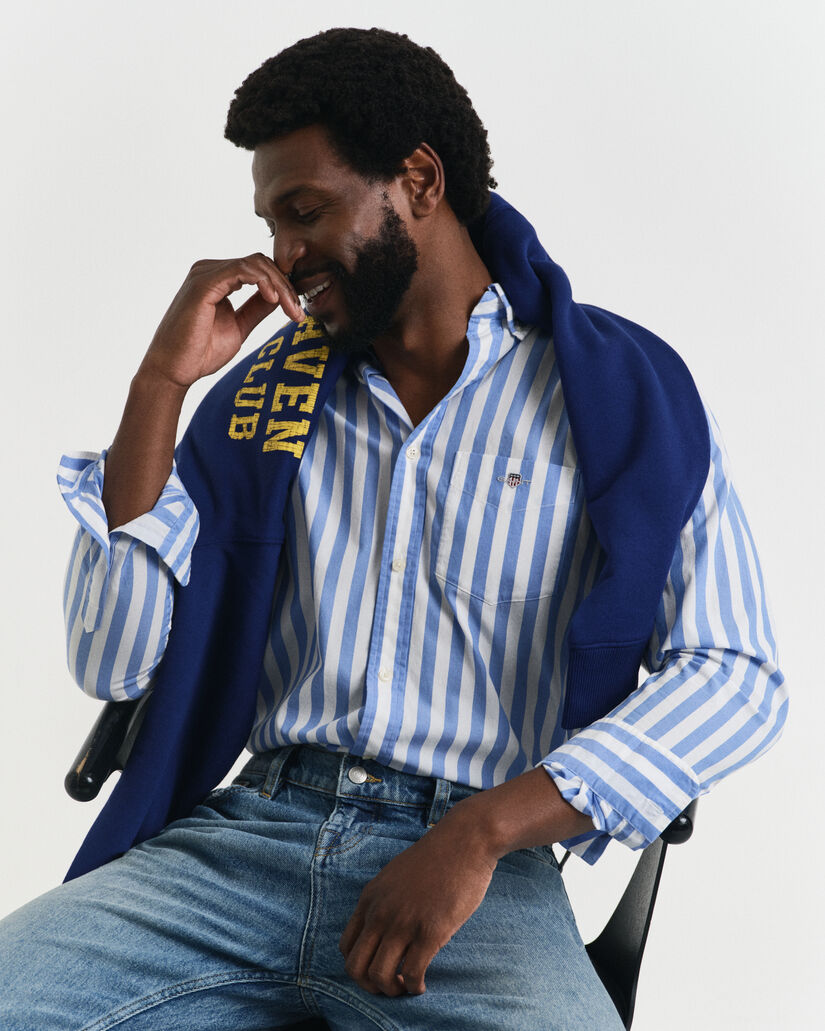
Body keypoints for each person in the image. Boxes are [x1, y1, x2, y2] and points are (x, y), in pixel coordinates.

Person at [0, 26, 786, 1030]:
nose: (283, 257)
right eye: (271, 223)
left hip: (476, 875)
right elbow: (113, 663)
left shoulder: (619, 397)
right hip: (240, 847)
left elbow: (734, 672)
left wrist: (482, 831)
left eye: (305, 212)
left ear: (418, 180)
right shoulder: (261, 409)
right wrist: (161, 384)